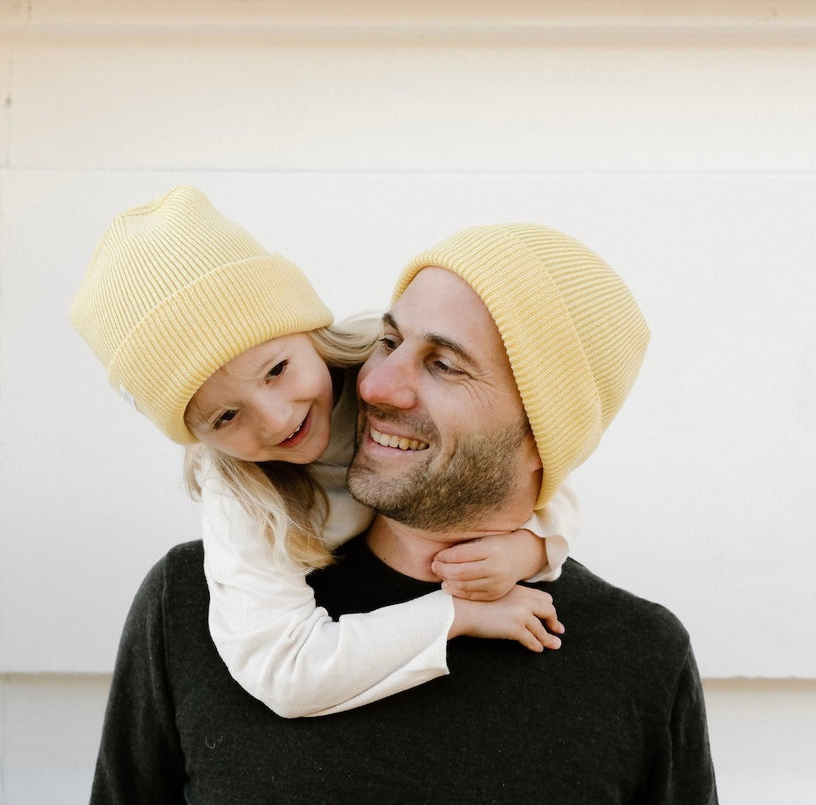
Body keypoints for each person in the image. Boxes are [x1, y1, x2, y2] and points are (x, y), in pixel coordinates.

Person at [45, 220, 751, 805]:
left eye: (443, 363)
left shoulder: (633, 655)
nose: (376, 385)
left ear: (538, 434)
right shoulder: (199, 607)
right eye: (387, 341)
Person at [70, 186, 579, 717]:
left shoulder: (384, 376)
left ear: (307, 329)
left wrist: (533, 546)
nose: (277, 419)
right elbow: (284, 669)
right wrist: (454, 614)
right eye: (225, 416)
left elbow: (523, 459)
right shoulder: (241, 492)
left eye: (276, 370)